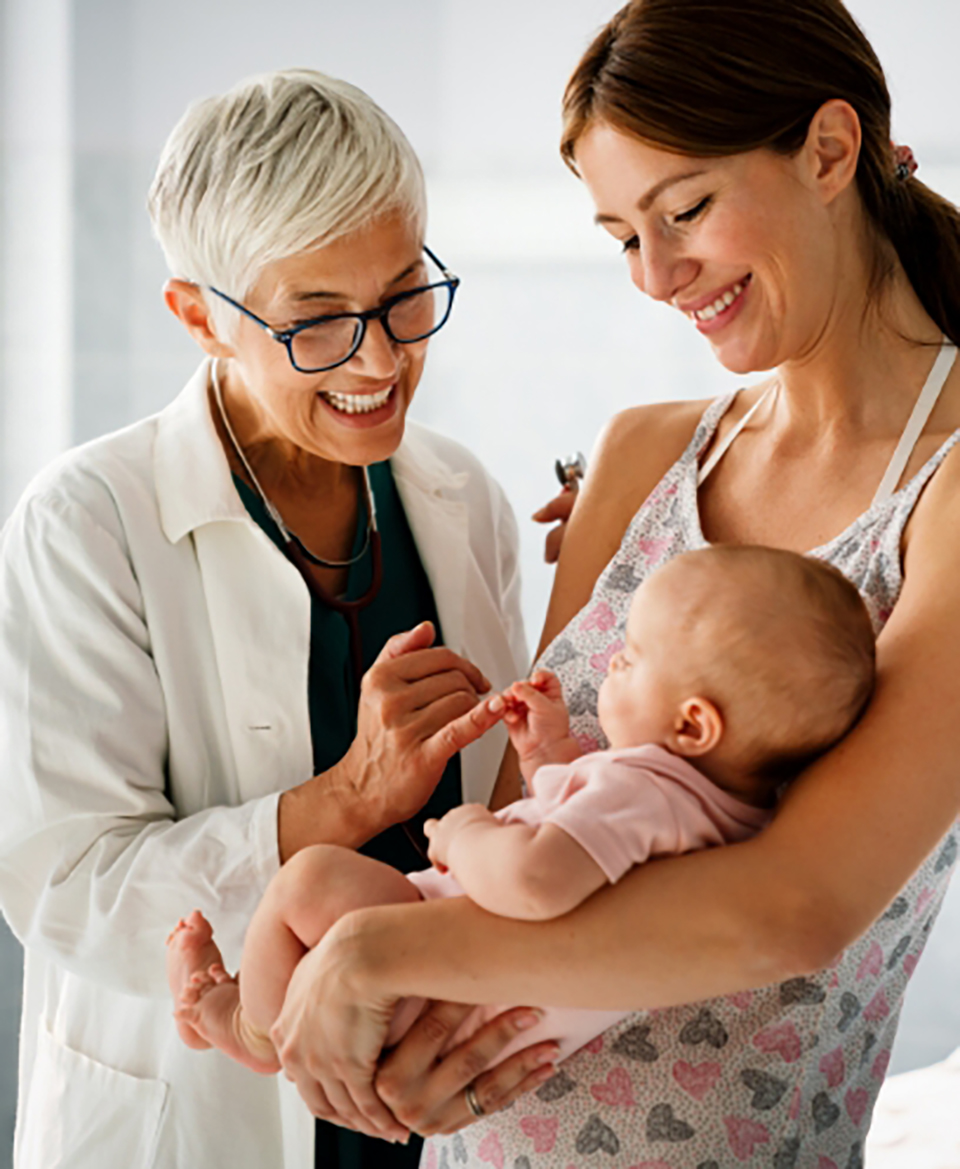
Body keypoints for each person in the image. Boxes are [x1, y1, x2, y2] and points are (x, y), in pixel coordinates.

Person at [256, 2, 960, 1165]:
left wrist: (381, 956)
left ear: (831, 150)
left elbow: (796, 906)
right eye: (622, 235)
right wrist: (405, 1026)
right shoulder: (643, 454)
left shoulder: (942, 489)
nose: (658, 274)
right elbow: (543, 828)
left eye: (684, 209)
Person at [0, 69, 554, 1169]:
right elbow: (66, 887)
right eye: (318, 324)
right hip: (202, 1116)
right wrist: (345, 799)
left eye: (405, 295)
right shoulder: (90, 521)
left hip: (436, 1091)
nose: (382, 359)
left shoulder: (461, 495)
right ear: (198, 314)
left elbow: (516, 807)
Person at [166, 544, 875, 1083]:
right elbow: (585, 846)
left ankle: (249, 1028)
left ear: (693, 726)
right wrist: (549, 753)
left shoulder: (645, 787)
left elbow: (538, 881)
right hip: (487, 1009)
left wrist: (466, 831)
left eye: (630, 658)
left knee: (309, 880)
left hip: (436, 973)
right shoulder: (717, 810)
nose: (612, 667)